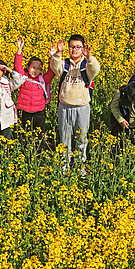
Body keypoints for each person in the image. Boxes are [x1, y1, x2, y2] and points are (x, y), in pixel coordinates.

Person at [50, 35, 100, 170]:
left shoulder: (86, 65)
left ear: (83, 48)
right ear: (68, 48)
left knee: (82, 138)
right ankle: (64, 164)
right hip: (65, 106)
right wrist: (58, 53)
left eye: (78, 47)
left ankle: (80, 164)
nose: (75, 50)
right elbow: (54, 67)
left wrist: (89, 57)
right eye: (72, 47)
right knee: (64, 138)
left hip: (82, 107)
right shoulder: (64, 64)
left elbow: (95, 69)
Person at [14, 36, 55, 143]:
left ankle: (39, 154)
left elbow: (51, 71)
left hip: (39, 112)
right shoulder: (24, 77)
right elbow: (18, 67)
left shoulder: (42, 79)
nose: (35, 70)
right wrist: (19, 50)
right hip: (26, 112)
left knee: (40, 136)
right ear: (27, 67)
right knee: (27, 135)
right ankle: (28, 152)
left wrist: (52, 57)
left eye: (38, 69)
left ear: (41, 70)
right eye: (33, 67)